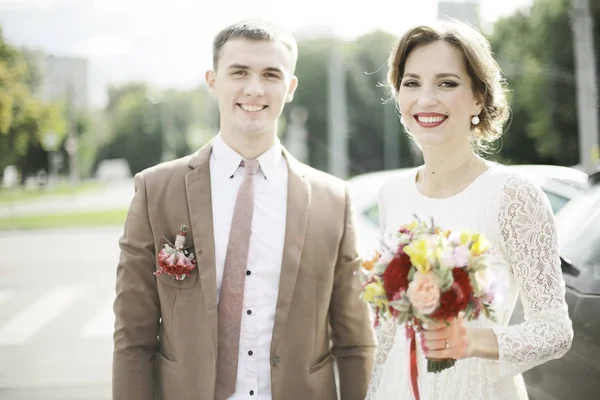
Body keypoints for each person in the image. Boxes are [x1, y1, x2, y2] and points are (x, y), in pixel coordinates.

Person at [112, 19, 375, 400]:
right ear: (213, 80)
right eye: (239, 72)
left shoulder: (334, 199)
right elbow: (132, 338)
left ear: (290, 87)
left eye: (271, 74)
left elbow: (355, 343)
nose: (254, 88)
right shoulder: (156, 190)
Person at [366, 20, 573, 400]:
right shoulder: (391, 194)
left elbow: (555, 330)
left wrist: (473, 341)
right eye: (411, 83)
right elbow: (387, 333)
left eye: (447, 83)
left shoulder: (513, 195)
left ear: (478, 97)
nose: (426, 99)